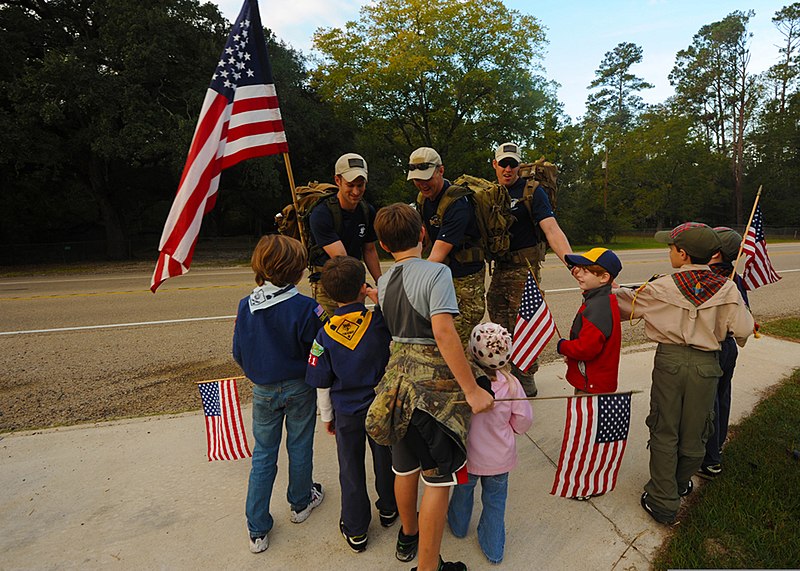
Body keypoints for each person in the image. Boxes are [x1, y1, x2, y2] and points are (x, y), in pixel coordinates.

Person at [365, 203, 494, 571]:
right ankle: (428, 567)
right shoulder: (436, 273)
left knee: (403, 469)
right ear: (423, 234)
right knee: (438, 481)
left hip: (395, 389)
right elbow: (443, 332)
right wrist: (471, 390)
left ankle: (408, 535)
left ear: (384, 245)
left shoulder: (385, 280)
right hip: (431, 396)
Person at [614, 223, 754, 525]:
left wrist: (606, 288)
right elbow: (742, 329)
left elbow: (624, 304)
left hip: (670, 362)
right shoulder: (727, 286)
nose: (669, 252)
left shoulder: (662, 285)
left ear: (683, 254)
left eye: (671, 248)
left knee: (665, 429)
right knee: (696, 430)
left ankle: (664, 501)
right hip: (707, 364)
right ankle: (680, 483)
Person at [232, 234, 326, 554]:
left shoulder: (247, 306)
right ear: (298, 271)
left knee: (263, 454)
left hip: (263, 390)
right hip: (300, 386)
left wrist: (258, 375)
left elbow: (239, 351)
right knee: (299, 446)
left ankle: (257, 528)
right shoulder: (306, 307)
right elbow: (316, 351)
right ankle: (300, 503)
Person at [305, 255, 398, 553]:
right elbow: (396, 312)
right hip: (379, 407)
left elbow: (322, 381)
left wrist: (326, 416)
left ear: (329, 294)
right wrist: (376, 296)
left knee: (350, 468)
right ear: (363, 287)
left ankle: (357, 528)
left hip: (346, 412)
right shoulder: (378, 321)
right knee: (386, 461)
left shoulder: (324, 334)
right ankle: (388, 509)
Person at [486, 142, 573, 397]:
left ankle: (526, 375)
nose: (508, 168)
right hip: (500, 268)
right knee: (499, 324)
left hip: (524, 269)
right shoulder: (488, 194)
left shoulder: (532, 191)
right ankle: (504, 373)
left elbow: (551, 229)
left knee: (525, 321)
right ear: (495, 165)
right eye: (503, 164)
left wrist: (572, 262)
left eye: (513, 164)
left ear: (519, 166)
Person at [447, 323, 533, 565]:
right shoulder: (513, 385)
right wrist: (512, 428)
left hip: (467, 458)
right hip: (500, 459)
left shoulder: (465, 385)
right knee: (495, 503)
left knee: (462, 492)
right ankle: (494, 549)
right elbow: (524, 420)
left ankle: (458, 526)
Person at [408, 147, 486, 346]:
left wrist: (409, 282)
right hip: (444, 276)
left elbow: (437, 254)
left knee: (453, 336)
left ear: (440, 171)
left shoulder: (458, 204)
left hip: (466, 278)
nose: (422, 185)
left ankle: (466, 374)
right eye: (417, 180)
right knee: (443, 334)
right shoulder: (424, 200)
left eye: (426, 178)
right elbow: (423, 242)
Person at [699, 227, 751, 480]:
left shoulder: (711, 279)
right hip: (729, 347)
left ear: (715, 252)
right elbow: (745, 314)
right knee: (722, 397)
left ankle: (710, 460)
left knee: (708, 404)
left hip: (713, 346)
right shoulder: (735, 278)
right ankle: (717, 443)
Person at [308, 152, 382, 317]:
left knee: (355, 333)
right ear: (338, 181)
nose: (356, 192)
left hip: (354, 282)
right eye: (350, 185)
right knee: (328, 334)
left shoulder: (367, 211)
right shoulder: (321, 214)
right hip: (328, 284)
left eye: (360, 185)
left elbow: (369, 250)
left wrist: (382, 283)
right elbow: (341, 258)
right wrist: (366, 287)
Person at [557, 248, 623, 396]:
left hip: (591, 386)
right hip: (592, 381)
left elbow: (586, 349)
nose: (578, 274)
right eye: (579, 269)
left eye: (585, 271)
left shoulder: (598, 308)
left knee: (588, 418)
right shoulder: (599, 300)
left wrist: (563, 346)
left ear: (604, 278)